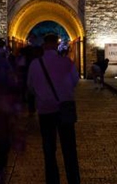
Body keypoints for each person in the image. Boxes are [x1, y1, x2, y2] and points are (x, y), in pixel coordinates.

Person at [27, 34, 81, 184]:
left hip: (45, 110)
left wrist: (43, 94)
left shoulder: (35, 64)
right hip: (65, 108)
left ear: (44, 45)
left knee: (49, 149)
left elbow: (30, 87)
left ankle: (52, 180)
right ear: (57, 45)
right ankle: (73, 179)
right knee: (69, 148)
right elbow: (75, 81)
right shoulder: (66, 62)